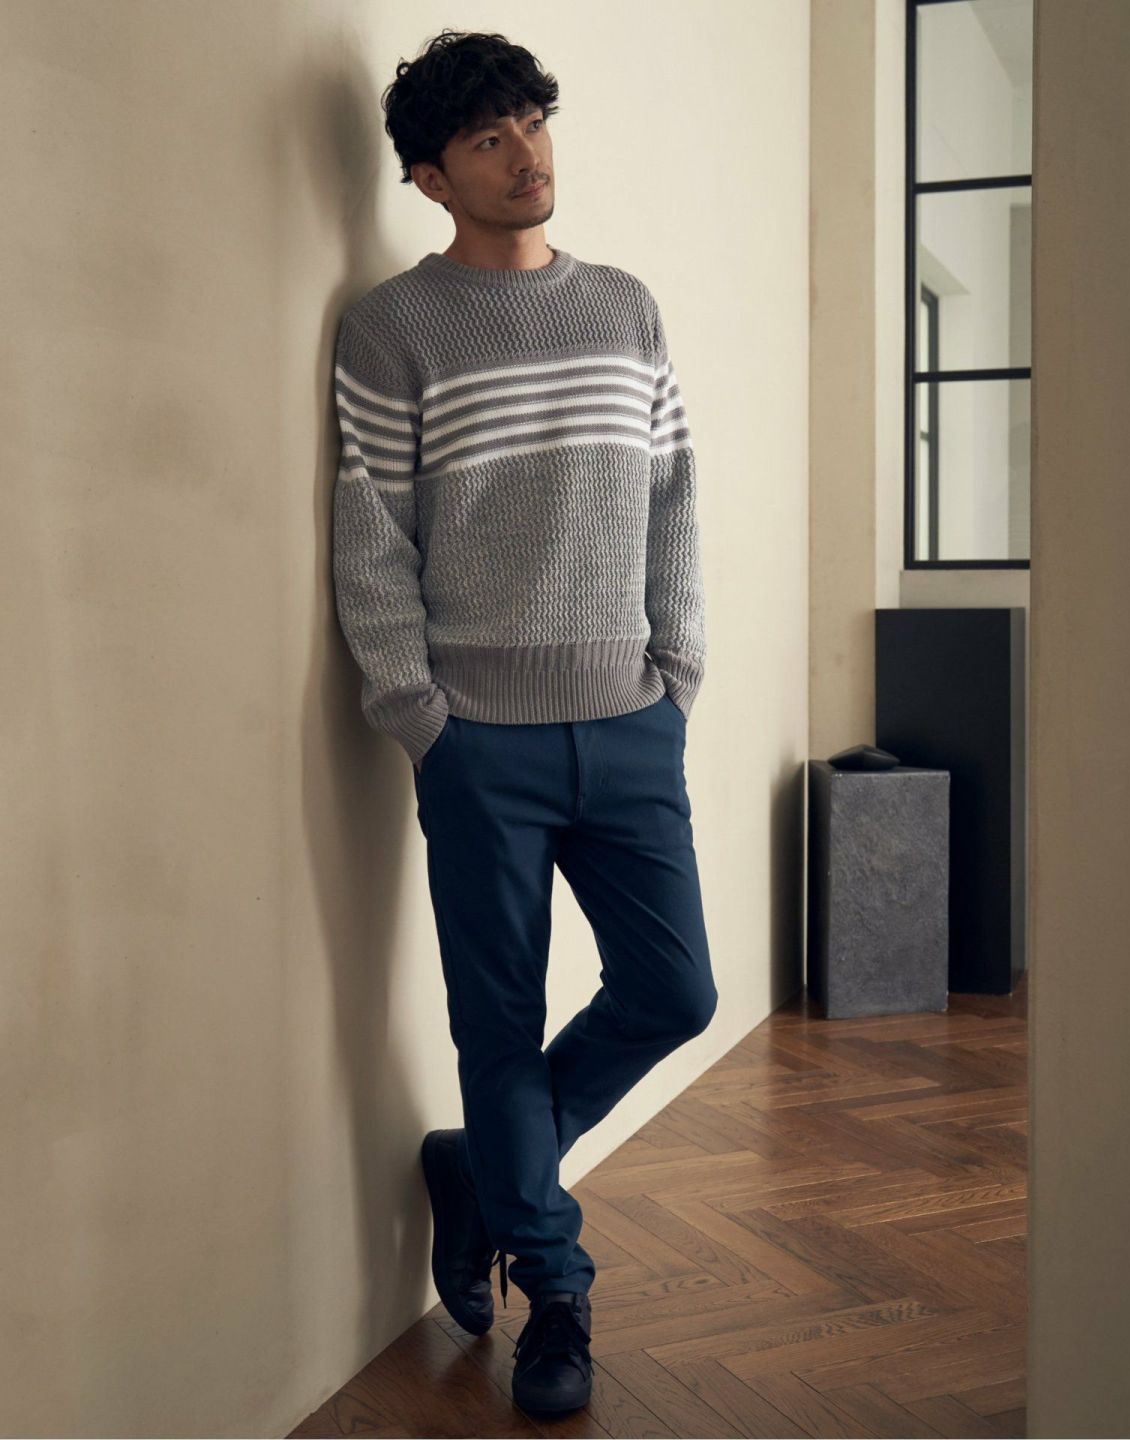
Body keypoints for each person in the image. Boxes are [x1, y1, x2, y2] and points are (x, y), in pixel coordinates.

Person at [330, 28, 718, 1417]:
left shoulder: (623, 307)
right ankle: (556, 1291)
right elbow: (371, 535)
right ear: (432, 177)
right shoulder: (392, 326)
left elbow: (673, 500)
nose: (526, 153)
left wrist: (676, 674)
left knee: (677, 992)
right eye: (488, 138)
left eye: (533, 122)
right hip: (478, 740)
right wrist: (421, 715)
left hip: (629, 721)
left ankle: (482, 1166)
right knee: (497, 1022)